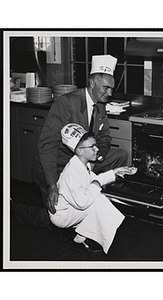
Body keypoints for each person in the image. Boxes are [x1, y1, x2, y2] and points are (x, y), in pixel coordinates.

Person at [32, 54, 128, 217]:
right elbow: (48, 145)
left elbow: (105, 138)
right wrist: (52, 185)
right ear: (92, 83)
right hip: (58, 165)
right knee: (55, 222)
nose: (110, 93)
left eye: (112, 89)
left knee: (120, 155)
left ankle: (96, 201)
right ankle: (13, 210)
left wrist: (93, 161)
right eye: (106, 88)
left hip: (79, 163)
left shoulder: (101, 106)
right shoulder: (66, 103)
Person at [49, 123, 134, 255]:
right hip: (63, 215)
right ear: (79, 151)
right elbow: (83, 203)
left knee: (98, 197)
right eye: (92, 147)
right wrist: (97, 183)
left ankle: (83, 232)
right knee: (99, 200)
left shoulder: (82, 164)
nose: (96, 149)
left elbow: (94, 179)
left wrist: (116, 172)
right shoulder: (72, 172)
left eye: (96, 145)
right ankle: (79, 240)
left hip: (72, 207)